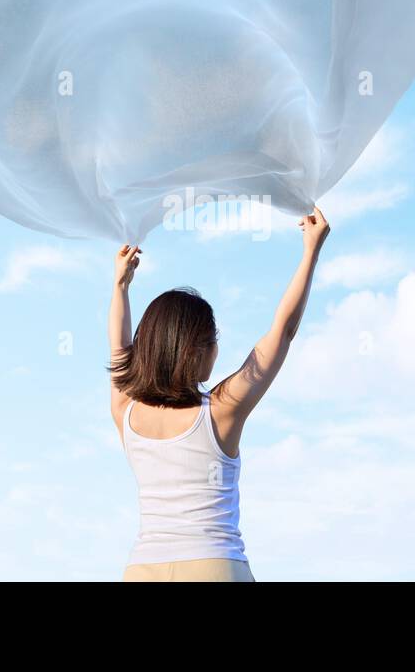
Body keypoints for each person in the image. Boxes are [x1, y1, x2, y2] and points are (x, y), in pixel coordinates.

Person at [108, 206, 330, 582]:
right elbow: (284, 330)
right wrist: (310, 252)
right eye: (214, 340)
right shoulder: (220, 410)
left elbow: (120, 354)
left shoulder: (125, 411)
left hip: (142, 570)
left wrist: (120, 287)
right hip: (213, 565)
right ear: (197, 349)